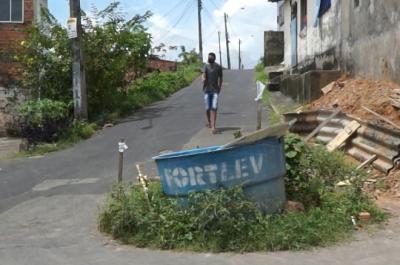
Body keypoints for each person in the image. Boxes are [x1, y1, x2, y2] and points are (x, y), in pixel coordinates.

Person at [202, 52, 223, 134]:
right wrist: (203, 79)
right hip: (207, 90)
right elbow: (203, 75)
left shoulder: (218, 67)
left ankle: (213, 127)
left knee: (213, 108)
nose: (209, 58)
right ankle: (210, 123)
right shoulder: (206, 66)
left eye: (211, 57)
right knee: (207, 108)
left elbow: (221, 78)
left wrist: (220, 87)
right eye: (208, 57)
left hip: (215, 91)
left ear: (214, 58)